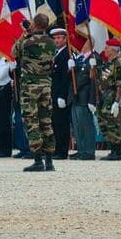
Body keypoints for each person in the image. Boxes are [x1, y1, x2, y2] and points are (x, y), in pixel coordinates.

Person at [14, 14, 56, 172]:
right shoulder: (51, 42)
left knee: (32, 122)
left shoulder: (27, 41)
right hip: (46, 85)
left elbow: (14, 51)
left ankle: (38, 160)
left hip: (30, 86)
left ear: (35, 24)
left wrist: (24, 33)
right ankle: (50, 160)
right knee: (46, 121)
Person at [97, 38, 121, 160]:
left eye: (106, 48)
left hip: (111, 95)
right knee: (103, 122)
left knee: (111, 123)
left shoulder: (118, 63)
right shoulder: (107, 64)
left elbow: (120, 84)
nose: (104, 50)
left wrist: (117, 101)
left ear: (113, 50)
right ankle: (112, 147)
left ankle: (117, 150)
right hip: (104, 95)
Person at [69, 38, 98, 160]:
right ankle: (81, 149)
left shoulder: (94, 58)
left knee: (86, 124)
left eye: (84, 42)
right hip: (75, 97)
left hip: (85, 96)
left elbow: (94, 81)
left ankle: (89, 151)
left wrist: (92, 100)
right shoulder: (78, 58)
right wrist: (71, 68)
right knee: (77, 124)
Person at [50, 28, 72, 159]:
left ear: (65, 39)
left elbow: (65, 78)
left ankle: (62, 150)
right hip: (53, 93)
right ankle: (56, 149)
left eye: (59, 38)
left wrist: (62, 96)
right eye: (55, 38)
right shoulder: (55, 53)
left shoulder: (66, 54)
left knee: (61, 123)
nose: (57, 40)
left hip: (60, 95)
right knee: (54, 123)